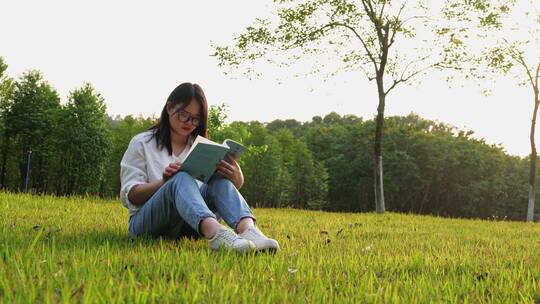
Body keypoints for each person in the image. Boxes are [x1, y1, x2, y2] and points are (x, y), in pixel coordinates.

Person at [120, 82, 279, 253]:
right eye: (184, 115)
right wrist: (163, 183)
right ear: (169, 108)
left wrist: (237, 176)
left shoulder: (202, 148)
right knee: (180, 177)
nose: (189, 122)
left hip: (190, 227)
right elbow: (132, 196)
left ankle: (249, 231)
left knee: (219, 181)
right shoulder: (142, 143)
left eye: (196, 119)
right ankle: (217, 235)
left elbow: (222, 192)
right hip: (147, 225)